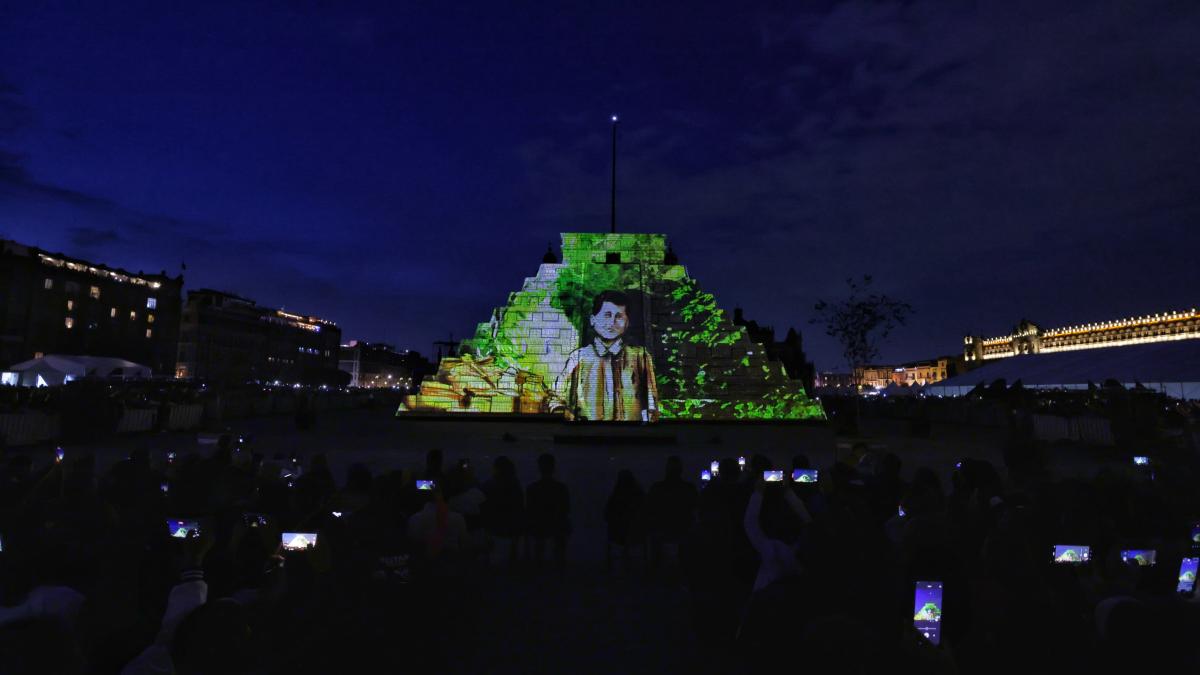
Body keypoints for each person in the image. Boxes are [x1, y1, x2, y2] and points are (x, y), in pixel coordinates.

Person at [550, 291, 659, 422]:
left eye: (619, 316)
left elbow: (651, 401)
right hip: (588, 435)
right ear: (593, 320)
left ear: (627, 322)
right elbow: (557, 396)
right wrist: (564, 413)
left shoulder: (640, 357)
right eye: (607, 315)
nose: (612, 322)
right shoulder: (579, 357)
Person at [525, 453, 570, 570]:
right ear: (553, 468)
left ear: (539, 468)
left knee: (539, 540)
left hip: (538, 525)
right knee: (561, 535)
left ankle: (538, 565)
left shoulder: (532, 488)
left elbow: (529, 510)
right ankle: (559, 564)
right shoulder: (562, 488)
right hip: (557, 524)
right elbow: (566, 509)